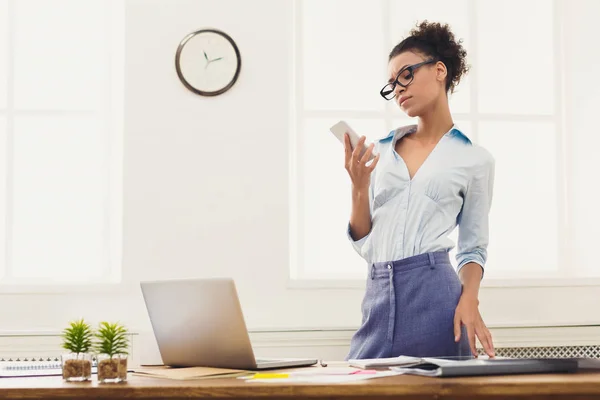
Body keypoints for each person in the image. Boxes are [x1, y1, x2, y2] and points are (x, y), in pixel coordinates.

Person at [344, 21, 495, 360]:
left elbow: (473, 248)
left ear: (439, 70)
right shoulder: (379, 154)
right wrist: (358, 187)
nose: (398, 89)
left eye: (406, 75)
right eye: (391, 84)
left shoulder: (474, 160)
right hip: (378, 292)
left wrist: (469, 298)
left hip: (436, 294)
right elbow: (365, 243)